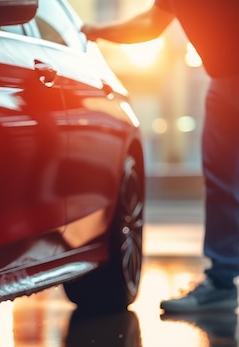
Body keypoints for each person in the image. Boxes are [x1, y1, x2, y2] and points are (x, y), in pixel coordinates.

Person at [82, 1, 239, 313]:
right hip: (224, 80)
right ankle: (221, 284)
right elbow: (150, 24)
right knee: (221, 183)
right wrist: (93, 31)